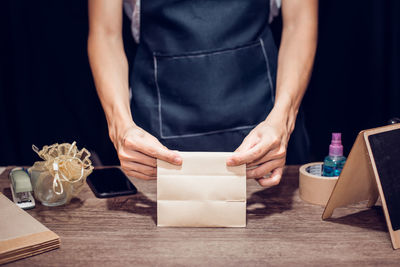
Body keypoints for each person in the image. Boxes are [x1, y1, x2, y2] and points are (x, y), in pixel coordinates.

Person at [88, 0, 318, 188]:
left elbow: (299, 23)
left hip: (265, 126)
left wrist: (283, 119)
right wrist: (121, 127)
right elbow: (105, 34)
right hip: (156, 138)